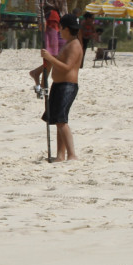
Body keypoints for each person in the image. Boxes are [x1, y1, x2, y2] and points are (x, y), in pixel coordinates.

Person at [37, 13, 83, 162]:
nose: (59, 31)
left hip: (67, 86)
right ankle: (60, 155)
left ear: (66, 29)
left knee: (62, 121)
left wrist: (50, 58)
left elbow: (67, 68)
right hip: (59, 85)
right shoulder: (68, 43)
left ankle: (72, 154)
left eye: (61, 28)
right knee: (57, 121)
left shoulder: (75, 45)